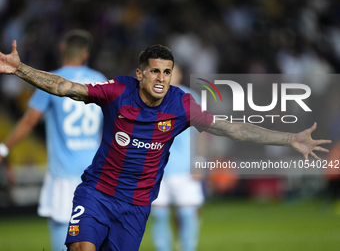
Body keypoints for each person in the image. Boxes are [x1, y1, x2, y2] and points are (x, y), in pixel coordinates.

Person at [0, 41, 331, 251]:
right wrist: (20, 70)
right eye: (155, 71)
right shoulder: (117, 92)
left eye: (167, 72)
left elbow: (234, 129)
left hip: (136, 204)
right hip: (97, 192)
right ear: (140, 74)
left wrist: (289, 138)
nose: (162, 78)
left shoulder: (182, 105)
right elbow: (64, 87)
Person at [0, 30, 106, 251]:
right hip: (95, 174)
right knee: (93, 235)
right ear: (86, 54)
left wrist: (3, 149)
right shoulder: (100, 80)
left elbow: (29, 122)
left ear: (62, 49)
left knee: (62, 232)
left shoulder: (50, 81)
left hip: (63, 174)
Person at [151, 65, 204, 251]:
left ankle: (187, 248)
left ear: (179, 75)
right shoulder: (148, 98)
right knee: (159, 214)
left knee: (188, 213)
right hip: (156, 169)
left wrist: (199, 161)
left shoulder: (190, 98)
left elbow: (202, 133)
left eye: (171, 73)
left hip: (185, 168)